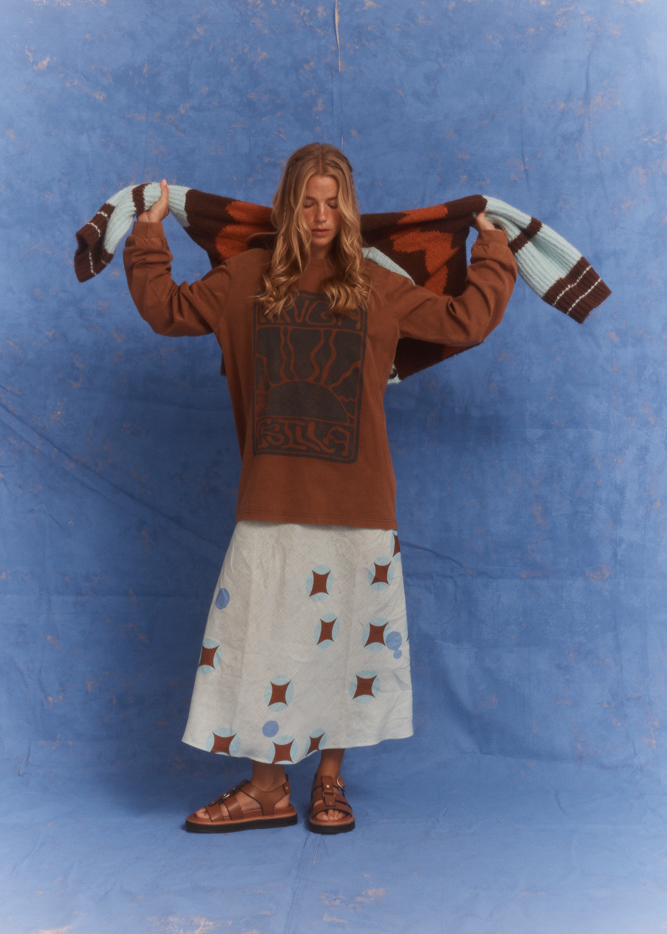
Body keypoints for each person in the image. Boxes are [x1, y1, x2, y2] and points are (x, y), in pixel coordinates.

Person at [123, 143, 516, 835]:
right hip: (271, 503)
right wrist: (150, 231)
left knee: (347, 651)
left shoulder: (376, 285)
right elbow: (167, 310)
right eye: (308, 201)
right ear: (287, 206)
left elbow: (464, 323)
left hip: (359, 506)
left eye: (333, 203)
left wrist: (492, 254)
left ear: (350, 209)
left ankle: (329, 784)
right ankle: (267, 787)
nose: (321, 215)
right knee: (260, 645)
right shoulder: (244, 279)